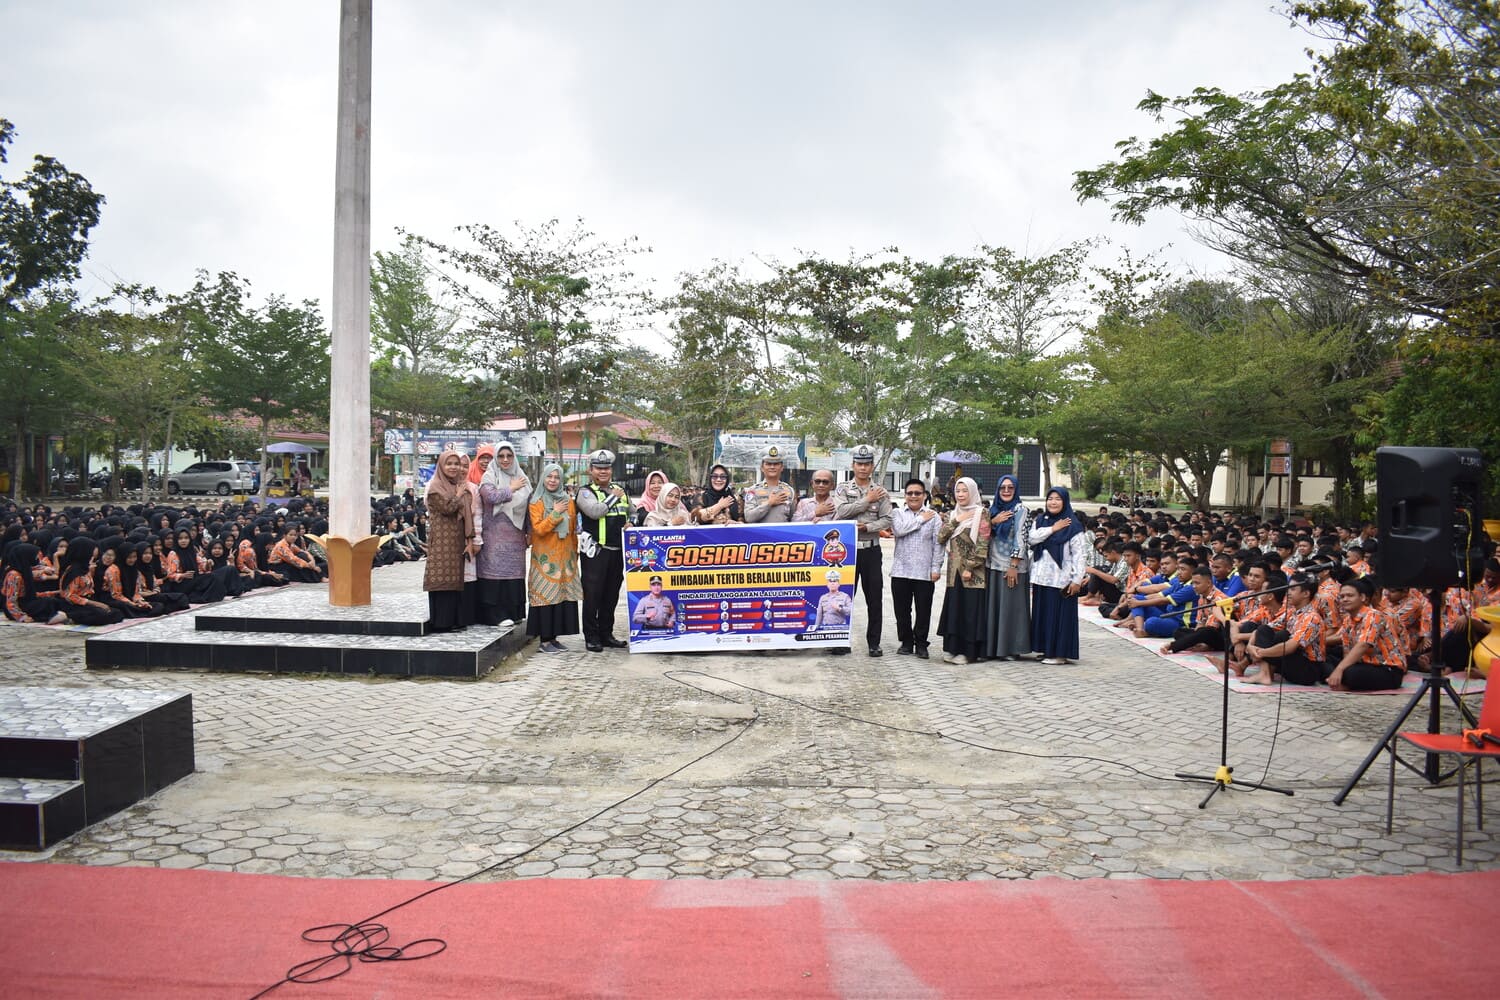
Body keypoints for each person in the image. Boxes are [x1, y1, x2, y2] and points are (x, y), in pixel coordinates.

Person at [834, 444, 893, 656]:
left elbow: (887, 519)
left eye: (867, 464)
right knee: (842, 598)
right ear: (853, 465)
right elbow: (840, 512)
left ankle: (874, 643)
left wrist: (868, 527)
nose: (863, 468)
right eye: (859, 463)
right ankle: (840, 640)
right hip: (847, 551)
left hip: (871, 550)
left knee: (874, 599)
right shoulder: (842, 489)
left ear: (872, 466)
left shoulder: (881, 491)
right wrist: (866, 501)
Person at [576, 449, 633, 652]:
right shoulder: (584, 492)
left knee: (611, 595)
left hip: (617, 551)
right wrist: (613, 498)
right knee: (593, 595)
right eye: (598, 468)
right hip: (596, 552)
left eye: (606, 468)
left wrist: (632, 522)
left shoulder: (620, 490)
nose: (603, 472)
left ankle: (606, 634)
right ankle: (591, 636)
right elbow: (594, 511)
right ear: (591, 470)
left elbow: (632, 513)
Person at [1028, 486, 1089, 665]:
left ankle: (1060, 654)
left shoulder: (1073, 525)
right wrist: (1052, 529)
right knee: (1044, 615)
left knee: (1060, 617)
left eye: (1057, 499)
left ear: (1065, 501)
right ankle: (1047, 650)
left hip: (1061, 580)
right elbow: (1031, 539)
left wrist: (1077, 579)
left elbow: (1080, 554)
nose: (1053, 502)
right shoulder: (1040, 520)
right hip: (1041, 578)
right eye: (1050, 498)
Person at [527, 463, 581, 653]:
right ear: (544, 478)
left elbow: (573, 529)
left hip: (565, 557)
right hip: (545, 558)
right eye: (549, 476)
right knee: (545, 597)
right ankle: (544, 640)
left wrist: (575, 552)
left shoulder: (568, 500)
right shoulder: (536, 501)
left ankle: (554, 638)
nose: (552, 480)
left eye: (557, 477)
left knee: (560, 598)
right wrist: (556, 513)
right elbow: (539, 529)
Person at [476, 442, 531, 627]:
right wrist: (512, 488)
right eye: (501, 456)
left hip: (516, 537)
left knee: (513, 575)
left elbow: (530, 506)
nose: (505, 459)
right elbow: (491, 497)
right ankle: (495, 616)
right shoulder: (489, 475)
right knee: (494, 574)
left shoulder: (521, 477)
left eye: (509, 455)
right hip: (493, 537)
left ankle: (514, 613)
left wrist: (529, 532)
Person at [936, 476, 990, 665]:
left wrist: (970, 566)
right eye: (958, 491)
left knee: (970, 611)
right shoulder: (952, 514)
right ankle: (953, 648)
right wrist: (957, 520)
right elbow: (941, 537)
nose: (960, 494)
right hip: (953, 572)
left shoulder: (982, 513)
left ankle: (968, 653)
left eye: (964, 491)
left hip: (973, 572)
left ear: (973, 492)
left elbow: (983, 543)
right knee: (955, 609)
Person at [423, 451, 477, 633]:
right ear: (441, 466)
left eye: (456, 464)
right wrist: (460, 494)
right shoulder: (435, 487)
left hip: (455, 541)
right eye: (449, 464)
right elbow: (447, 508)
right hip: (441, 541)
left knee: (454, 581)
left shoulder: (455, 485)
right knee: (441, 579)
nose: (453, 467)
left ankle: (453, 620)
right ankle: (441, 623)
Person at [890, 478, 943, 658]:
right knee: (902, 610)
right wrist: (920, 519)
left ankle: (921, 644)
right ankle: (906, 642)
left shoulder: (934, 516)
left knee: (923, 610)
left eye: (917, 493)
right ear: (905, 496)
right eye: (910, 493)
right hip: (900, 570)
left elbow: (938, 544)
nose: (913, 496)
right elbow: (899, 531)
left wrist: (936, 568)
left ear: (924, 495)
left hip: (924, 571)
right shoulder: (897, 513)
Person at [1327, 577, 1406, 691]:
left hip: (1388, 669)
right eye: (1342, 596)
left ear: (1363, 597)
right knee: (1329, 659)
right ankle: (1342, 681)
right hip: (1364, 664)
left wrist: (1340, 670)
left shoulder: (1374, 615)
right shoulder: (1348, 620)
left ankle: (1344, 683)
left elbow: (1363, 644)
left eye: (1350, 596)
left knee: (1349, 673)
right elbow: (1346, 650)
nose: (1345, 599)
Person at [1245, 573, 1326, 685]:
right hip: (1291, 662)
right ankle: (1265, 674)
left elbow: (1290, 647)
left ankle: (1265, 673)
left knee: (1282, 635)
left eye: (1293, 589)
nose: (1288, 592)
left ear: (1306, 594)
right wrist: (1250, 646)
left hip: (1308, 670)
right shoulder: (1292, 612)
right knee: (1264, 629)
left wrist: (1260, 652)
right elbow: (1265, 628)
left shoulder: (1312, 617)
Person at [984, 474, 1032, 661]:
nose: (1006, 491)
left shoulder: (1021, 509)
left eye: (1010, 488)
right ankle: (994, 647)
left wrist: (1013, 565)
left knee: (1011, 608)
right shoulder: (992, 510)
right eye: (1002, 487)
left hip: (1012, 567)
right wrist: (993, 522)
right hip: (992, 565)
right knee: (995, 608)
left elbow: (1021, 538)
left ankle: (1011, 648)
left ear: (1016, 489)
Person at [57, 537, 124, 626]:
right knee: (100, 614)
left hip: (87, 601)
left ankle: (74, 618)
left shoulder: (85, 567)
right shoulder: (75, 570)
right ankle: (68, 615)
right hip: (74, 605)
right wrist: (94, 603)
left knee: (117, 612)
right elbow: (70, 596)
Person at [2, 543, 67, 624]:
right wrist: (21, 617)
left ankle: (54, 616)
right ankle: (52, 617)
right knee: (48, 603)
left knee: (53, 601)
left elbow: (31, 595)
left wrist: (53, 593)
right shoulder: (14, 575)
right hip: (16, 608)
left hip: (25, 603)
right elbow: (11, 601)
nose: (36, 558)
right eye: (35, 555)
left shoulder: (25, 570)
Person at [742, 447, 797, 523]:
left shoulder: (789, 491)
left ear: (782, 468)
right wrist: (769, 503)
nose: (772, 467)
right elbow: (749, 517)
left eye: (776, 464)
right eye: (768, 464)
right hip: (760, 534)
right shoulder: (753, 491)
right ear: (762, 468)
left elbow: (794, 519)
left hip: (782, 534)